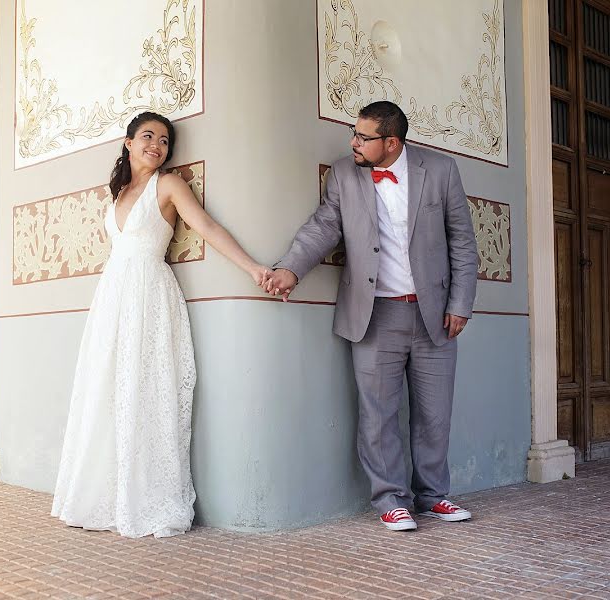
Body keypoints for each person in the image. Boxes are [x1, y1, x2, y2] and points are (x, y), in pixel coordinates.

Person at [52, 111, 270, 538]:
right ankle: (109, 495)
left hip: (149, 293)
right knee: (108, 391)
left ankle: (147, 496)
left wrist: (252, 267)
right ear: (128, 143)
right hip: (113, 297)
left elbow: (205, 226)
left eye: (165, 140)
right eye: (148, 136)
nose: (157, 145)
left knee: (147, 389)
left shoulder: (167, 185)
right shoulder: (115, 195)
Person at [263, 101, 478, 531]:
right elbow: (324, 226)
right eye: (354, 134)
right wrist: (290, 268)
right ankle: (390, 500)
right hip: (374, 313)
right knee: (378, 413)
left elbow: (463, 242)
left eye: (363, 137)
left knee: (435, 413)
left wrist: (460, 303)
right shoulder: (344, 173)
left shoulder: (440, 171)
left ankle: (434, 495)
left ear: (392, 142)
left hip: (434, 315)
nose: (353, 142)